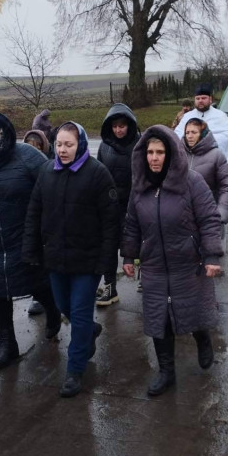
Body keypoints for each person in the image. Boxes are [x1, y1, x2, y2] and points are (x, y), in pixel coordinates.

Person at [121, 126, 223, 396]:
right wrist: (129, 255)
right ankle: (166, 372)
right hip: (154, 266)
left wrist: (211, 255)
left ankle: (202, 338)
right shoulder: (140, 185)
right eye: (150, 152)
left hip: (187, 263)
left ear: (171, 154)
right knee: (159, 320)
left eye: (160, 152)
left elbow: (209, 220)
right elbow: (132, 224)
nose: (154, 158)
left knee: (192, 311)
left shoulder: (192, 182)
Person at [22, 122, 120, 398]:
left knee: (79, 312)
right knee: (64, 306)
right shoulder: (46, 171)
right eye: (59, 144)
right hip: (55, 258)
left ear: (81, 145)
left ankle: (75, 371)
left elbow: (111, 223)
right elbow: (34, 212)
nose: (63, 150)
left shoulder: (98, 174)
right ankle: (90, 331)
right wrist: (30, 250)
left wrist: (106, 262)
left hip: (87, 261)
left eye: (69, 144)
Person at [0, 111, 61, 370]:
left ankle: (53, 311)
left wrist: (49, 228)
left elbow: (52, 186)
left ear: (3, 135)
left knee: (37, 284)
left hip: (24, 238)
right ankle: (8, 344)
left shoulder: (26, 156)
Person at [96, 103, 140, 307]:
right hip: (110, 206)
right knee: (108, 247)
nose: (118, 130)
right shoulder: (104, 146)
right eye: (114, 126)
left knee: (142, 243)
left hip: (135, 204)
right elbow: (98, 174)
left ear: (129, 125)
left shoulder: (139, 145)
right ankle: (110, 287)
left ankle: (147, 279)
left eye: (122, 126)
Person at [182, 116, 228, 227]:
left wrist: (222, 211)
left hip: (209, 214)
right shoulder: (179, 155)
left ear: (203, 134)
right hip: (183, 216)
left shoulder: (216, 155)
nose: (189, 136)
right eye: (187, 133)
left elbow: (226, 185)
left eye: (194, 132)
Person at [23, 129, 52, 316]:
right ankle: (38, 296)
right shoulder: (20, 165)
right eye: (29, 147)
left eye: (38, 148)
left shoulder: (51, 165)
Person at [173, 83, 228, 166]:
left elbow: (227, 136)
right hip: (191, 162)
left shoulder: (220, 116)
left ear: (210, 99)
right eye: (198, 98)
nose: (200, 101)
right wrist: (190, 142)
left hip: (213, 162)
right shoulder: (187, 116)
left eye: (203, 98)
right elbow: (177, 135)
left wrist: (204, 141)